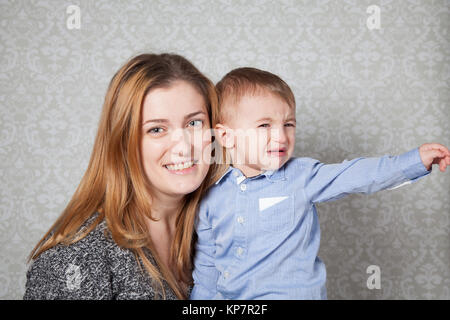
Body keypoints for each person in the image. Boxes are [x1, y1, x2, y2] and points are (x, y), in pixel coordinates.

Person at [190, 67, 450, 300]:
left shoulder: (302, 176)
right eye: (264, 125)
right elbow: (207, 269)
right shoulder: (211, 198)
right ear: (225, 136)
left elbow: (356, 174)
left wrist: (413, 161)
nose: (281, 136)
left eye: (288, 124)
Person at [23, 53, 224, 300]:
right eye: (157, 129)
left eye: (194, 123)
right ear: (122, 142)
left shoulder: (224, 232)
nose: (184, 147)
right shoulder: (75, 259)